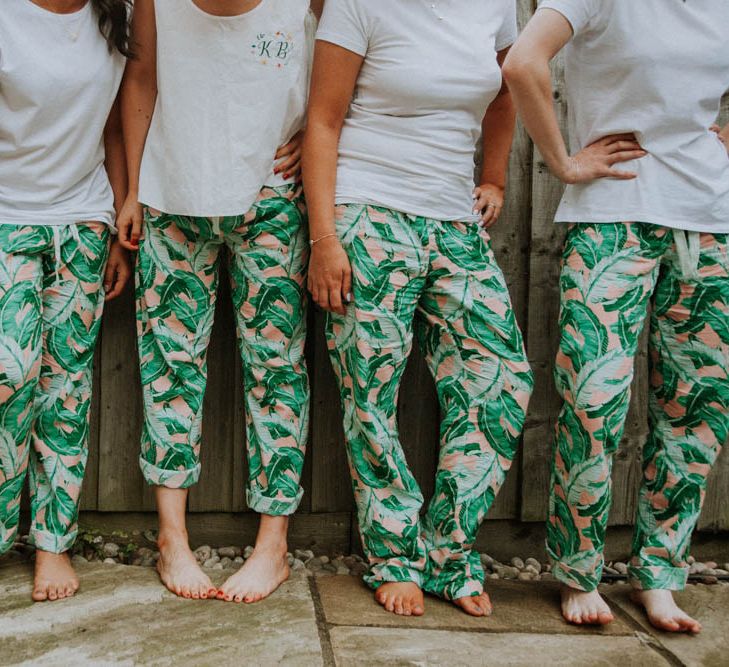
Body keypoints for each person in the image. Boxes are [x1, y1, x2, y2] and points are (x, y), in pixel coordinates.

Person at [504, 0, 729, 634]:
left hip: (709, 222)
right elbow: (523, 62)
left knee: (697, 406)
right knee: (592, 401)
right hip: (610, 220)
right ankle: (577, 572)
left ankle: (660, 576)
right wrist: (565, 163)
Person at [302, 0, 533, 618]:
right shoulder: (358, 4)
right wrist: (324, 239)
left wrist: (495, 177)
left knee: (501, 379)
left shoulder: (494, 6)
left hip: (454, 218)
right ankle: (394, 556)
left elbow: (506, 93)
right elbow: (322, 121)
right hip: (369, 210)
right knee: (370, 390)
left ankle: (448, 550)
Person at [118, 0, 317, 603]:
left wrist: (316, 132)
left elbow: (351, 66)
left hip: (273, 201)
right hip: (171, 196)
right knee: (169, 369)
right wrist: (130, 188)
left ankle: (272, 545)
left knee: (277, 371)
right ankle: (171, 539)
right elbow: (142, 80)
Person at [0, 0, 132, 601]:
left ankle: (53, 542)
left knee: (67, 387)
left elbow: (110, 124)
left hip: (82, 220)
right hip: (7, 219)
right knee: (10, 375)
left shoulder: (117, 14)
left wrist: (118, 225)